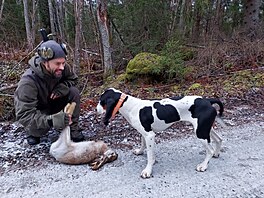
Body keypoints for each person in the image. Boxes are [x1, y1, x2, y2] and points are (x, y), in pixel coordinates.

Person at [14, 40, 84, 145]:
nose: (62, 67)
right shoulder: (28, 83)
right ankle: (31, 133)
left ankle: (72, 130)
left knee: (73, 92)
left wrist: (62, 87)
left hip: (54, 103)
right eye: (57, 64)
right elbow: (25, 116)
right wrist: (51, 121)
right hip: (40, 112)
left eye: (63, 63)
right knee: (38, 131)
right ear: (44, 63)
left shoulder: (62, 69)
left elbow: (73, 79)